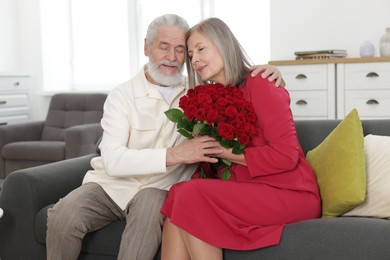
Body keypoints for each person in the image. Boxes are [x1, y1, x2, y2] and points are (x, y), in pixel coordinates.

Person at [45, 14, 284, 260]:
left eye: (181, 50)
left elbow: (237, 79)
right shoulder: (121, 95)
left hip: (160, 188)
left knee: (148, 211)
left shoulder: (200, 90)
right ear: (147, 47)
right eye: (164, 47)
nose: (172, 57)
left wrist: (272, 70)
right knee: (64, 215)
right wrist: (175, 154)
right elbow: (113, 160)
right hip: (109, 185)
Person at [160, 17, 321, 260]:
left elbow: (286, 156)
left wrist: (223, 152)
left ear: (223, 44)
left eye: (201, 49)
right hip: (246, 191)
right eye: (191, 55)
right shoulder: (208, 100)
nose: (195, 60)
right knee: (176, 206)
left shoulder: (261, 83)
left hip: (289, 192)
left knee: (188, 195)